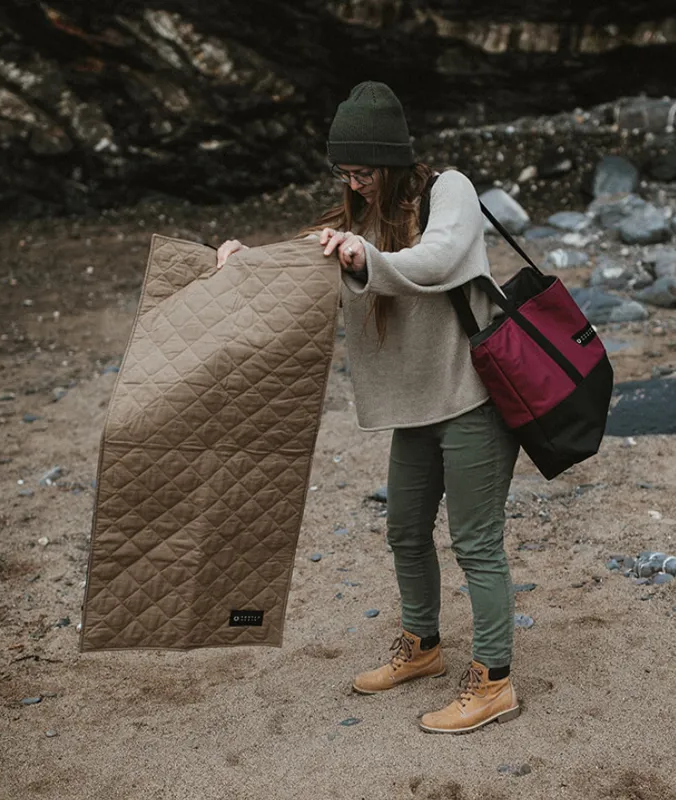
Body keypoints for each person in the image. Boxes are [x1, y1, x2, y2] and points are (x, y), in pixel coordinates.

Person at [217, 81, 521, 734]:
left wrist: (367, 255)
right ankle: (423, 648)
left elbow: (438, 258)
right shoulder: (361, 218)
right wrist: (245, 260)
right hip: (416, 405)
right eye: (345, 174)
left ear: (391, 161)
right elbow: (307, 257)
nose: (355, 185)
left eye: (363, 172)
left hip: (473, 396)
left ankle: (494, 679)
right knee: (405, 529)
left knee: (475, 543)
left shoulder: (452, 192)